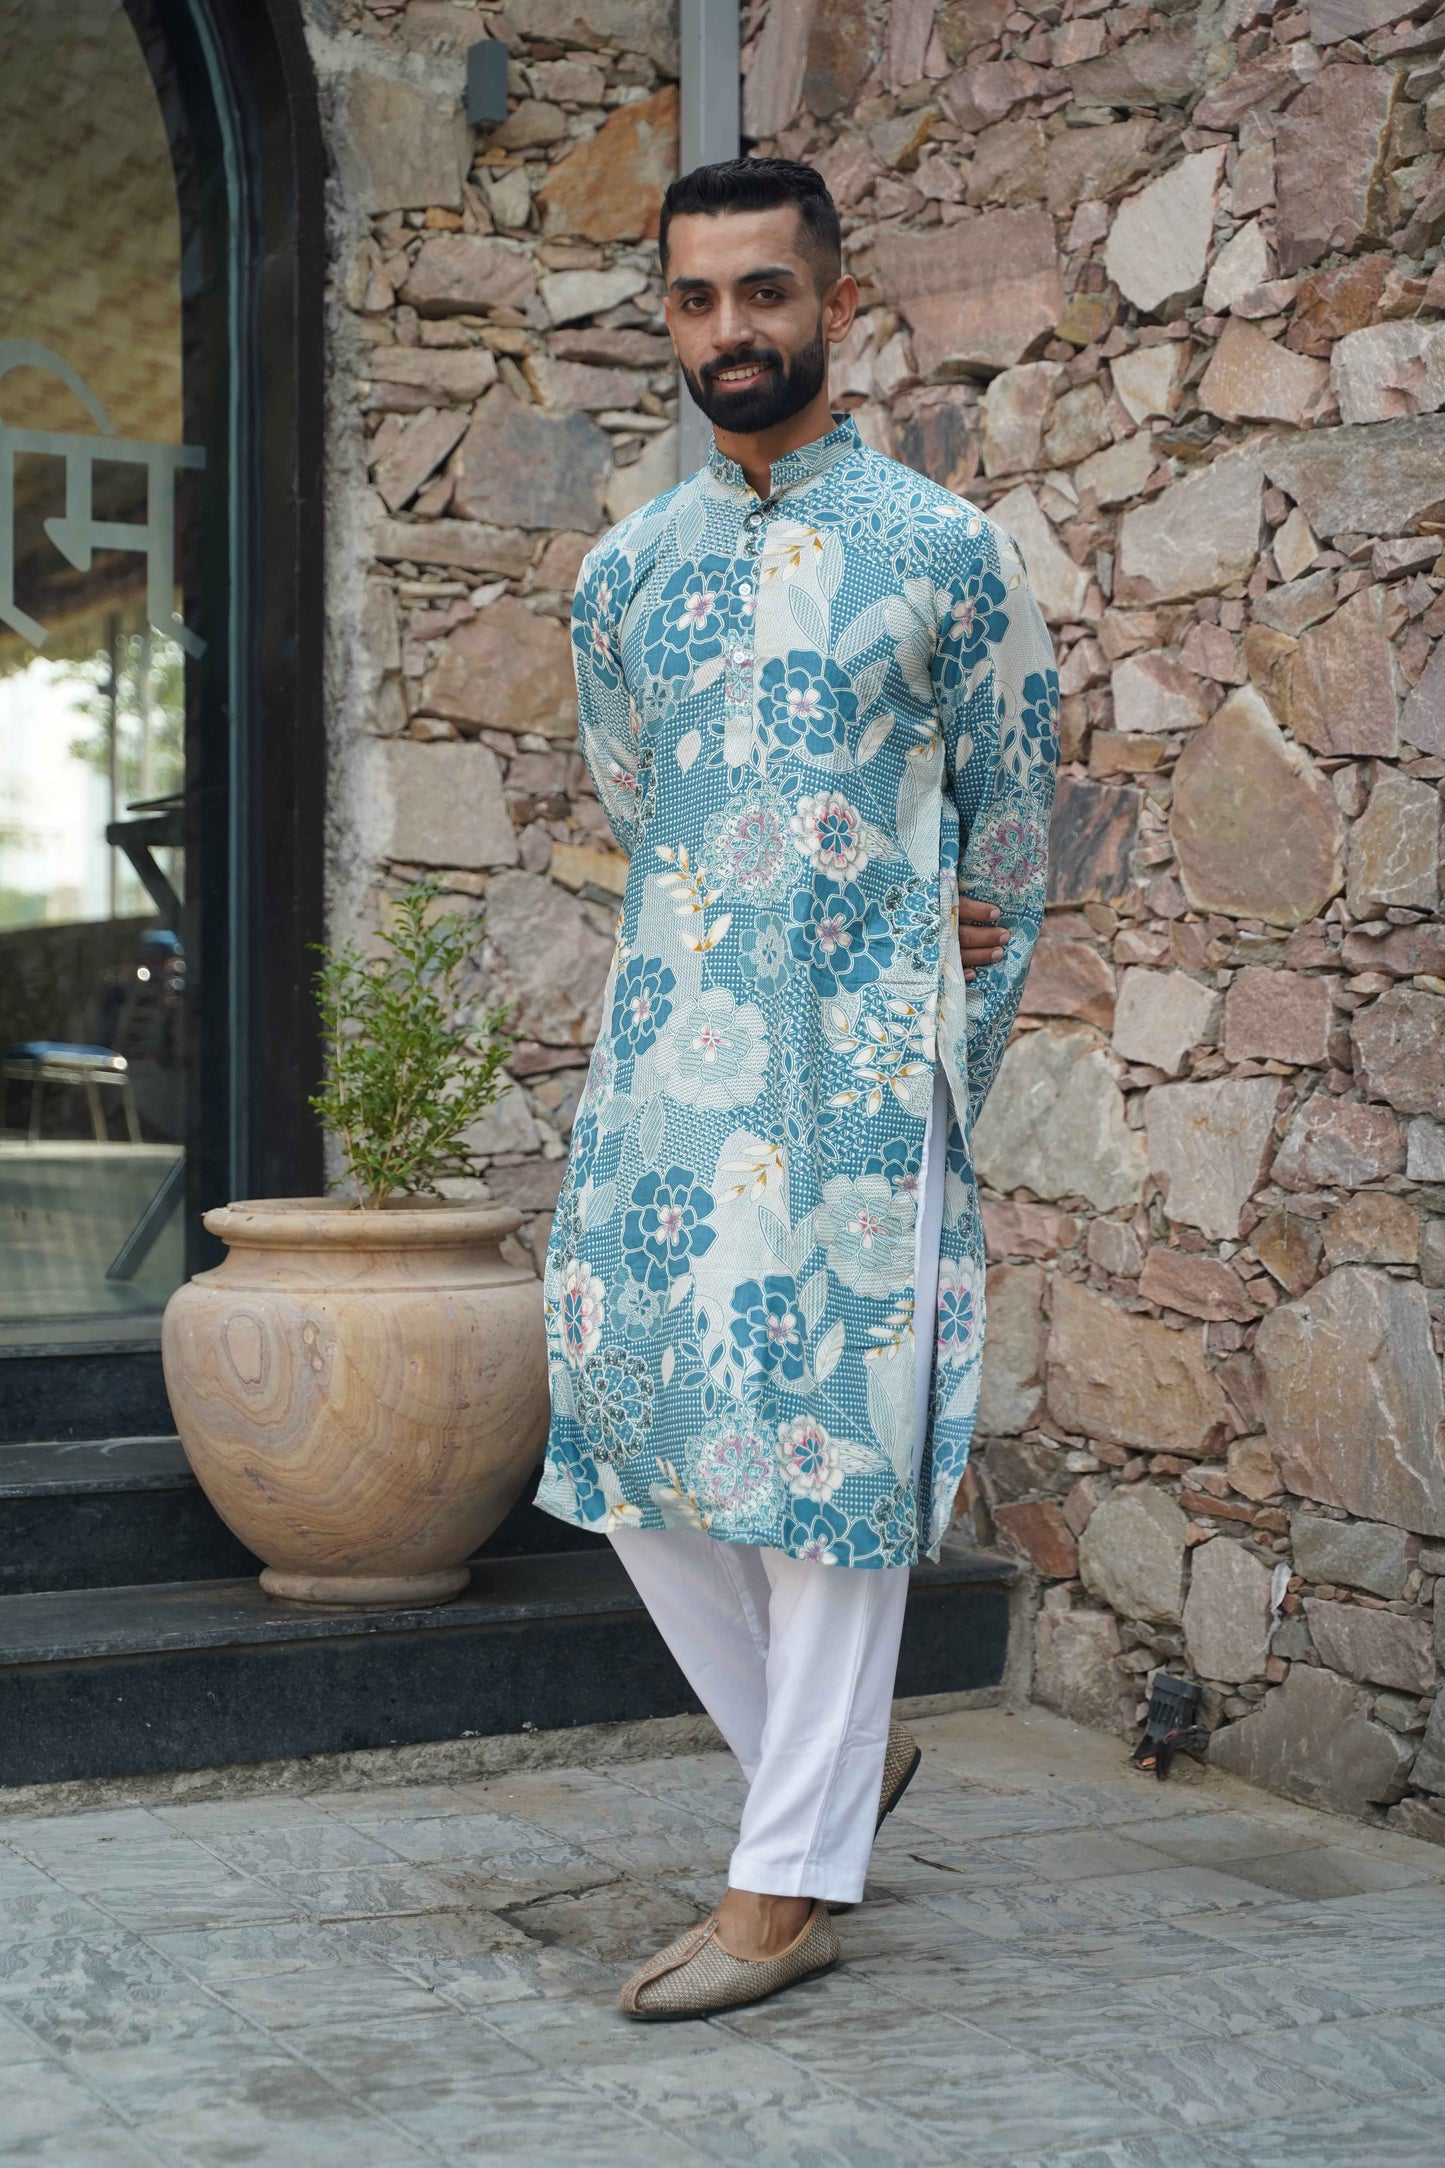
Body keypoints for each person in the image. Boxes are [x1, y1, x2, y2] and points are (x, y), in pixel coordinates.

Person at [536, 157, 1058, 2019]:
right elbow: (643, 803)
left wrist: (935, 1034)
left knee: (830, 1447)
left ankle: (781, 1892)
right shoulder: (624, 575)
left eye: (763, 291)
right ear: (667, 320)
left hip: (859, 1073)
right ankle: (821, 1767)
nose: (728, 330)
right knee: (623, 1407)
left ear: (835, 303)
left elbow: (1013, 832)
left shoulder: (945, 550)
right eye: (695, 298)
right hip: (672, 1062)